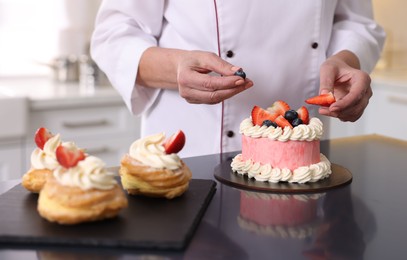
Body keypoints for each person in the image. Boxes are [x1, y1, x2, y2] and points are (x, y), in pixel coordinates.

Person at [91, 1, 385, 157]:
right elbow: (113, 36)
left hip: (299, 153)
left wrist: (346, 61)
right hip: (195, 149)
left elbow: (357, 22)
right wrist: (175, 66)